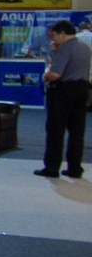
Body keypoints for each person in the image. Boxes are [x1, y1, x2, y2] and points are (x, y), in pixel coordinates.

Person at [34, 20, 91, 179]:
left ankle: (52, 167)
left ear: (62, 33)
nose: (54, 39)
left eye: (55, 36)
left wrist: (46, 76)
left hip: (63, 91)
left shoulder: (65, 48)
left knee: (55, 130)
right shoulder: (84, 47)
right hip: (82, 89)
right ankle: (74, 168)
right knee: (77, 131)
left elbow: (56, 74)